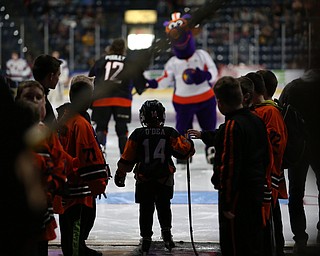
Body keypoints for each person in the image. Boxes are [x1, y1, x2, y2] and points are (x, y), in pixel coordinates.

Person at [189, 76, 269, 255]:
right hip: (256, 193)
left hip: (238, 199)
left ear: (219, 102)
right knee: (253, 244)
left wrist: (227, 202)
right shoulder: (256, 120)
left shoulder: (233, 126)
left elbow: (230, 167)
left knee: (235, 245)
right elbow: (266, 156)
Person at [114, 99, 195, 254]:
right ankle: (167, 236)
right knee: (164, 207)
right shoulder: (169, 132)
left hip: (144, 180)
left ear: (143, 117)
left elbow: (127, 159)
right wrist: (189, 143)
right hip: (164, 179)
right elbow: (186, 151)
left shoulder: (138, 134)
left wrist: (121, 174)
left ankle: (146, 239)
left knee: (145, 210)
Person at [146, 12, 218, 164]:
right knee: (183, 128)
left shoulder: (201, 55)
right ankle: (183, 151)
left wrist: (204, 75)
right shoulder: (173, 62)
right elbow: (165, 79)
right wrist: (153, 83)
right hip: (183, 101)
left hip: (205, 97)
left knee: (209, 126)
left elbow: (213, 71)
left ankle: (211, 149)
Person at [15, 80, 76, 256]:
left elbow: (59, 166)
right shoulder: (7, 131)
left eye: (38, 97)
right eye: (28, 97)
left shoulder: (48, 134)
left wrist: (52, 188)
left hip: (42, 211)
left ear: (44, 102)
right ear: (17, 101)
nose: (34, 101)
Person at [56, 78, 110, 256]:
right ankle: (76, 251)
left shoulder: (65, 117)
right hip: (77, 186)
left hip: (66, 181)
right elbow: (88, 156)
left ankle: (78, 247)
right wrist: (98, 183)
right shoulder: (80, 123)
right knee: (76, 224)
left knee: (69, 225)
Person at [246, 71, 288, 256]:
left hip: (267, 177)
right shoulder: (259, 111)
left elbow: (276, 146)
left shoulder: (269, 112)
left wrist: (270, 173)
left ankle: (274, 250)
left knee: (270, 220)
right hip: (263, 177)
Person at [279, 68, 320, 255]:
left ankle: (300, 238)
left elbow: (281, 116)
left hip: (297, 148)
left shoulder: (292, 88)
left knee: (296, 193)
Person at [89, 38, 138, 157]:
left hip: (101, 99)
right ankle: (125, 157)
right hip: (122, 99)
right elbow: (138, 80)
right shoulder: (129, 62)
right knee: (122, 129)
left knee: (101, 128)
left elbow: (90, 78)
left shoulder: (101, 60)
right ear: (123, 49)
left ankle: (99, 156)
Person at [32, 54, 63, 126]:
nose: (58, 78)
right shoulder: (41, 103)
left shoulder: (32, 96)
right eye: (58, 75)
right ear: (51, 76)